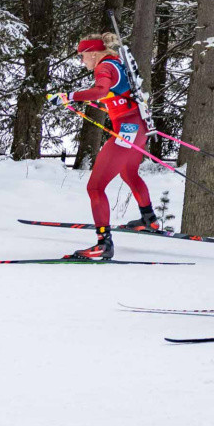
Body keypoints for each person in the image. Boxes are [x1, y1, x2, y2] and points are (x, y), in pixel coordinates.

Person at [55, 34, 156, 261]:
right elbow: (114, 98)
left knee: (95, 187)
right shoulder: (118, 65)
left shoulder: (103, 67)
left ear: (93, 52)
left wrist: (69, 96)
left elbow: (101, 90)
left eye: (82, 56)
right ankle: (149, 219)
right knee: (129, 172)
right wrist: (84, 101)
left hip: (128, 131)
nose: (82, 61)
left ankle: (103, 244)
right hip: (138, 129)